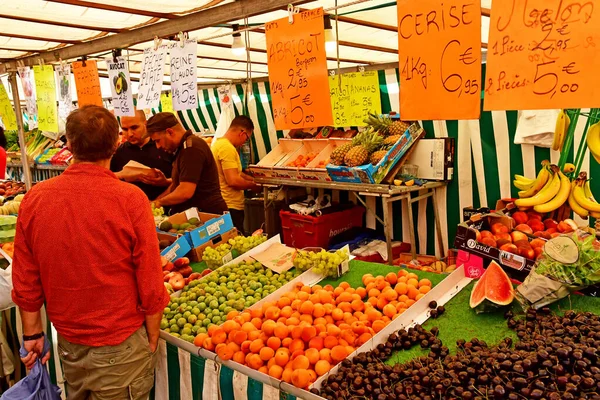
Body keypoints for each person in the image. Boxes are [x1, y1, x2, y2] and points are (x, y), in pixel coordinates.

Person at [12, 105, 169, 399]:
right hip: (120, 344)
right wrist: (152, 331)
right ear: (115, 144)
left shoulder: (35, 198)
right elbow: (149, 274)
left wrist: (32, 333)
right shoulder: (130, 199)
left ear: (69, 145)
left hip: (69, 343)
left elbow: (26, 275)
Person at [146, 112, 228, 215]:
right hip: (199, 216)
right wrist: (154, 203)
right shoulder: (182, 149)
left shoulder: (191, 148)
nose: (157, 146)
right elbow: (176, 186)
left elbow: (185, 191)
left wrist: (159, 202)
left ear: (170, 132)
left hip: (208, 218)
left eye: (158, 141)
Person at [211, 116, 260, 233]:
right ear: (242, 133)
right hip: (230, 206)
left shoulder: (220, 144)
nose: (244, 142)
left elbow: (237, 173)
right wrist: (253, 186)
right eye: (247, 138)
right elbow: (233, 180)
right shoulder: (226, 148)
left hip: (227, 204)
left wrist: (255, 180)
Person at [110, 110, 173, 201]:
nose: (130, 134)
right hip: (133, 207)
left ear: (146, 124)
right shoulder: (119, 152)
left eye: (134, 128)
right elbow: (109, 178)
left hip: (167, 207)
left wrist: (165, 183)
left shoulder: (163, 146)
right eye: (125, 129)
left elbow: (181, 181)